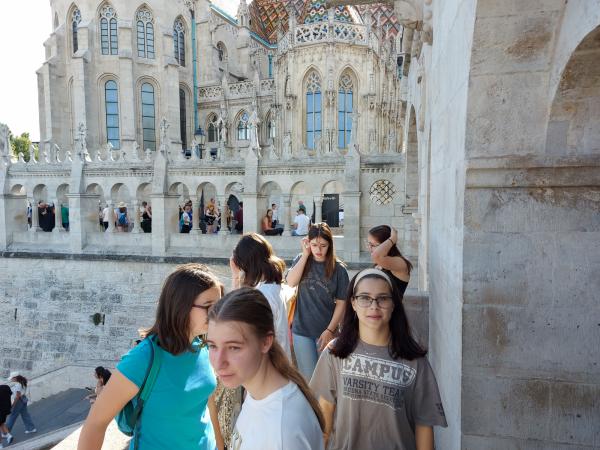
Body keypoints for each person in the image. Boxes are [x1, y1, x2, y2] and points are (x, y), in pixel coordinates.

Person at [78, 264, 224, 450]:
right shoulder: (143, 358)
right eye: (209, 306)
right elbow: (95, 424)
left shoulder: (204, 347)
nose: (217, 314)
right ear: (181, 306)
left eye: (219, 306)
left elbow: (205, 402)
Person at [310, 268, 447, 450]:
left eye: (383, 298)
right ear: (353, 303)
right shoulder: (334, 353)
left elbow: (424, 425)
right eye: (365, 298)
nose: (374, 306)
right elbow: (323, 420)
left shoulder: (415, 361)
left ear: (394, 304)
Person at [206, 288, 325, 450]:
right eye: (212, 346)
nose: (218, 363)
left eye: (234, 347)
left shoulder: (282, 432)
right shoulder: (256, 392)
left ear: (265, 342)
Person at [286, 223, 349, 380]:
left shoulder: (339, 269)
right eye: (314, 245)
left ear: (330, 245)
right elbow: (291, 282)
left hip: (326, 331)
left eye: (323, 245)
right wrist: (305, 255)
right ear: (308, 243)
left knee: (327, 380)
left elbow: (342, 303)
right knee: (309, 379)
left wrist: (330, 330)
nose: (318, 250)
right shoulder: (301, 259)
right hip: (301, 331)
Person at [230, 233, 291, 358]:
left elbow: (234, 317)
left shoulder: (263, 295)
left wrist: (235, 276)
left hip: (268, 363)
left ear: (248, 264)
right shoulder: (274, 286)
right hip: (278, 360)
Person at [367, 225, 413, 299]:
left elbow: (376, 256)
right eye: (369, 244)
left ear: (386, 245)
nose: (369, 248)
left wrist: (393, 239)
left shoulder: (400, 262)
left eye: (372, 245)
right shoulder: (381, 263)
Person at [0, 383, 13, 447]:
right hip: (5, 410)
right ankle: (8, 435)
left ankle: (0, 445)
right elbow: (10, 394)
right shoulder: (5, 387)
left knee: (1, 423)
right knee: (2, 423)